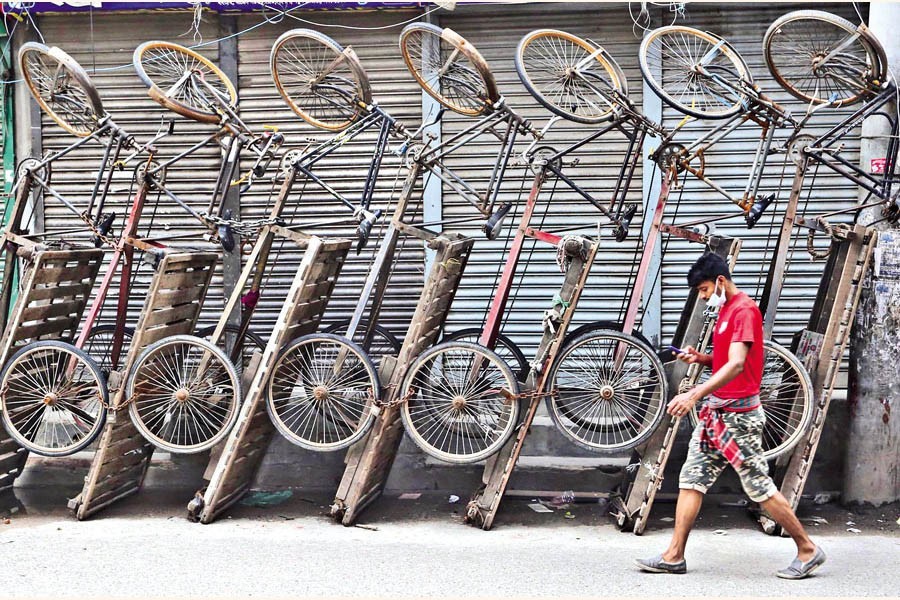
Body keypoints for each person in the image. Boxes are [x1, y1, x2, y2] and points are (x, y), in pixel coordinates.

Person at [635, 253, 825, 579]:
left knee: (759, 487)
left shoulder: (744, 311)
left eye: (705, 289)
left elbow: (738, 365)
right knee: (691, 480)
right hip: (715, 416)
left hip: (739, 419)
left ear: (720, 281)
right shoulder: (725, 311)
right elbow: (730, 361)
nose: (703, 296)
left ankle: (808, 549)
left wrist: (695, 393)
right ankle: (674, 555)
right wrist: (705, 358)